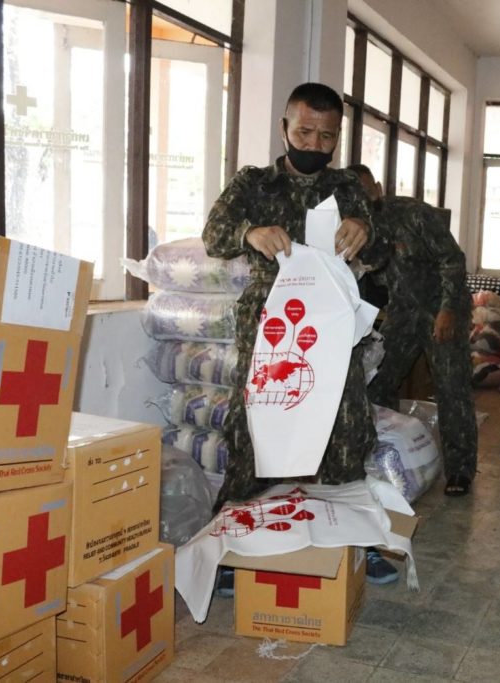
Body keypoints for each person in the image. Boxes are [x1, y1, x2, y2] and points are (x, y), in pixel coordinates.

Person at [202, 82, 386, 508]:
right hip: (271, 331)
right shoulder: (254, 183)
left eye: (326, 136)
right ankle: (239, 531)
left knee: (345, 431)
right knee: (256, 432)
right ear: (283, 128)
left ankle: (341, 530)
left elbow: (380, 255)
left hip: (333, 329)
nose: (314, 145)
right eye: (304, 132)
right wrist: (249, 232)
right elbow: (213, 235)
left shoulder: (347, 187)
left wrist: (365, 230)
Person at [349, 164, 479, 497]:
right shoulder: (356, 228)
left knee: (451, 388)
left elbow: (452, 260)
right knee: (377, 380)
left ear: (378, 188)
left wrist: (448, 310)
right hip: (403, 312)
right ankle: (384, 457)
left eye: (366, 191)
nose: (362, 200)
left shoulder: (413, 214)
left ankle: (460, 471)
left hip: (442, 308)